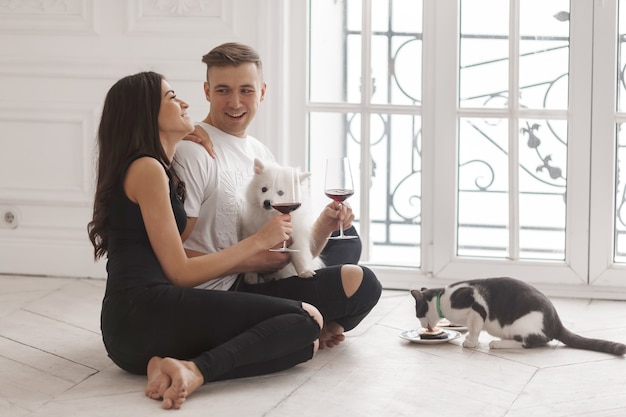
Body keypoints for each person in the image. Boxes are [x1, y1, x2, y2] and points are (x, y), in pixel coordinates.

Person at [88, 71, 325, 410]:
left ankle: (159, 362)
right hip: (142, 313)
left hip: (133, 329)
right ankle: (196, 370)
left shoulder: (155, 166)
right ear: (145, 114)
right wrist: (258, 241)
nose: (184, 103)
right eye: (171, 98)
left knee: (304, 345)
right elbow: (181, 272)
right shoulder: (147, 170)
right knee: (305, 322)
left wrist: (188, 132)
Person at [174, 42, 382, 349]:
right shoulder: (194, 151)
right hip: (229, 288)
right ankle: (309, 321)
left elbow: (290, 244)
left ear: (262, 91)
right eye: (222, 90)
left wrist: (324, 224)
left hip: (269, 270)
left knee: (347, 239)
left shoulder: (260, 152)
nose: (235, 102)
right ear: (207, 91)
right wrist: (251, 260)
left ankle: (308, 321)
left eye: (246, 90)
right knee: (364, 284)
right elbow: (172, 255)